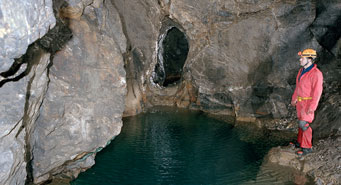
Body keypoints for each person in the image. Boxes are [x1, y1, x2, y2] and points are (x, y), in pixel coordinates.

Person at [290, 48, 323, 156]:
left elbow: (317, 92)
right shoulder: (301, 71)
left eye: (302, 58)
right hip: (300, 102)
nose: (300, 60)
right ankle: (300, 143)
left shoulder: (316, 74)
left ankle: (307, 148)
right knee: (300, 122)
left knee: (304, 124)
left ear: (309, 59)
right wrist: (294, 98)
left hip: (308, 103)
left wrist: (312, 107)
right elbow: (298, 87)